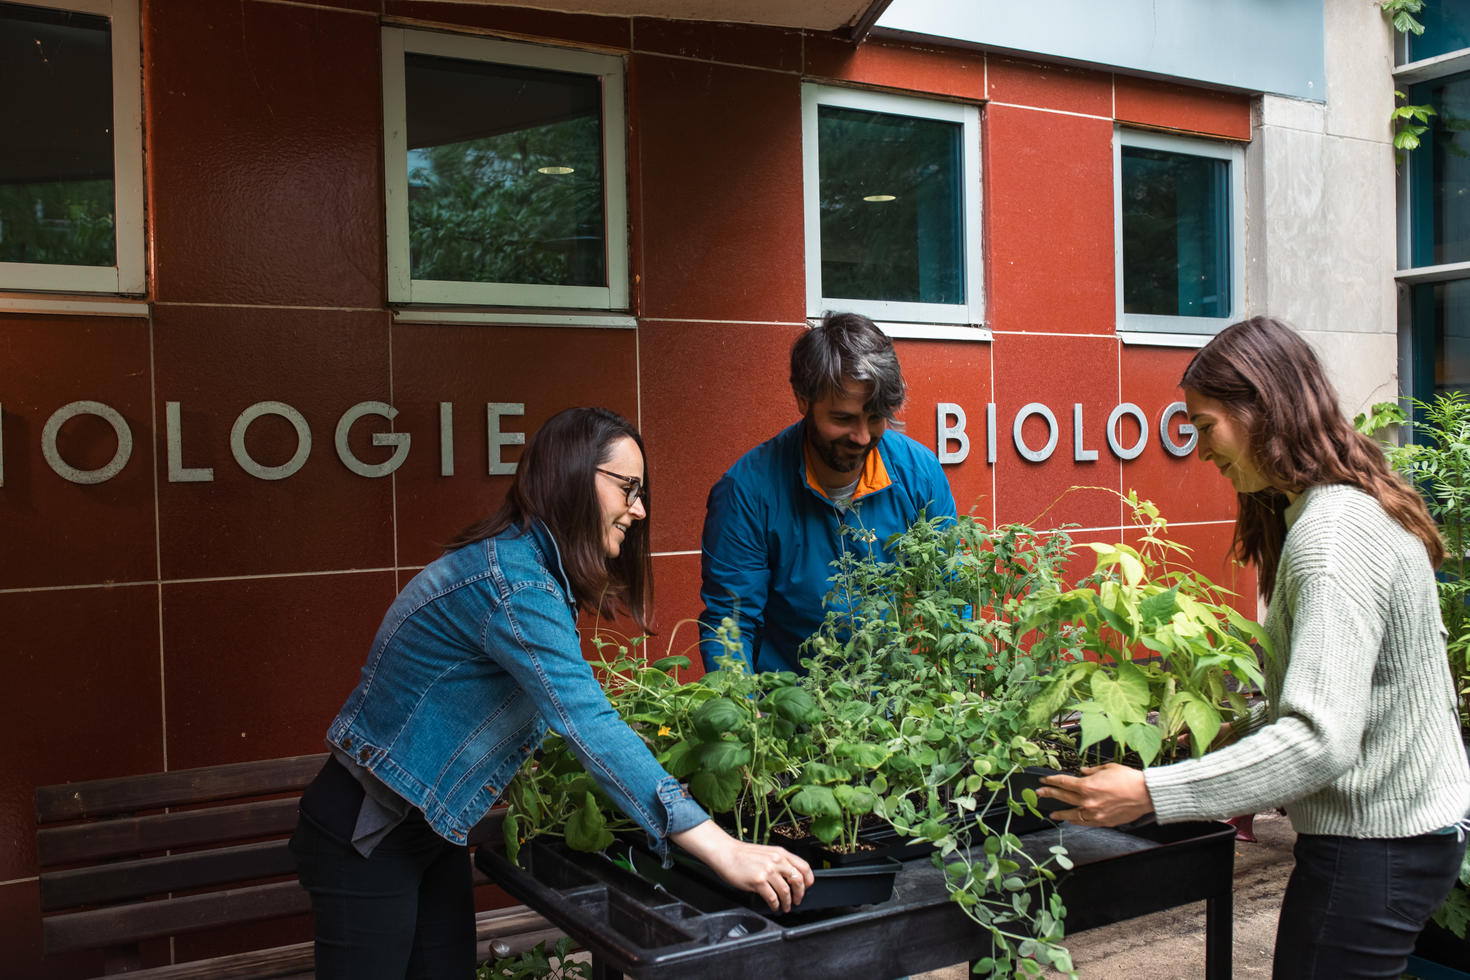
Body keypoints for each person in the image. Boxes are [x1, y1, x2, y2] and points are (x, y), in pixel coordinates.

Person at [291, 407, 813, 979]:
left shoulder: (525, 570)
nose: (639, 509)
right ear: (571, 475)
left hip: (428, 831)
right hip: (368, 832)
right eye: (628, 488)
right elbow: (587, 722)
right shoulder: (513, 582)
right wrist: (724, 849)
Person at [1038, 316, 1470, 979]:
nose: (1200, 449)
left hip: (1377, 847)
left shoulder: (1330, 536)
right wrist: (1225, 742)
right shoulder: (1338, 508)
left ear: (1263, 409)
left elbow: (1320, 739)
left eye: (1205, 426)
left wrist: (1153, 790)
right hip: (1401, 835)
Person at [698, 311, 958, 674]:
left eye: (875, 417)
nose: (863, 437)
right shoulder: (747, 491)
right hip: (790, 708)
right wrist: (744, 716)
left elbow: (951, 595)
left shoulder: (919, 473)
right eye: (844, 419)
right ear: (803, 399)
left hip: (897, 711)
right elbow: (731, 622)